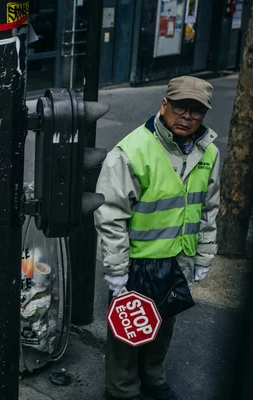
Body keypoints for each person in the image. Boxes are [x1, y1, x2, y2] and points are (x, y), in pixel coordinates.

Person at [94, 76, 221, 400]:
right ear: (164, 105)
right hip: (137, 260)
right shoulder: (133, 149)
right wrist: (116, 268)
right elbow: (110, 214)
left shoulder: (208, 152)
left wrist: (203, 257)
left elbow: (208, 209)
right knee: (128, 331)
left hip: (177, 257)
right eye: (180, 107)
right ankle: (122, 390)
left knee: (163, 324)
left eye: (196, 111)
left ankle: (153, 378)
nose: (187, 116)